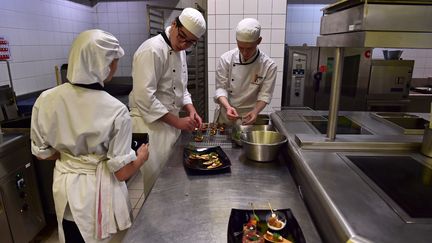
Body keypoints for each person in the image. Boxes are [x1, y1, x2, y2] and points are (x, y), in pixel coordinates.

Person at [30, 29, 149, 243]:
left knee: (72, 235)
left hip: (64, 189)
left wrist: (71, 158)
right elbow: (121, 173)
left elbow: (41, 153)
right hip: (96, 195)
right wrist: (141, 157)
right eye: (114, 61)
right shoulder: (115, 109)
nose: (115, 66)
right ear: (102, 63)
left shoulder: (45, 99)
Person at [128, 8, 206, 196]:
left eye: (191, 42)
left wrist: (191, 109)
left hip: (169, 125)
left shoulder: (179, 51)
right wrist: (178, 121)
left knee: (172, 179)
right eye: (182, 37)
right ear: (174, 24)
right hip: (150, 127)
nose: (184, 44)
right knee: (157, 184)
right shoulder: (151, 50)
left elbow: (182, 89)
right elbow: (145, 97)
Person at [214, 18, 277, 125]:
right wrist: (228, 107)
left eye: (249, 48)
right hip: (226, 114)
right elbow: (221, 88)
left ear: (259, 41)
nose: (245, 52)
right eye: (241, 47)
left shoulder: (269, 65)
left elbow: (265, 94)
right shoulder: (226, 59)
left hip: (249, 116)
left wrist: (256, 111)